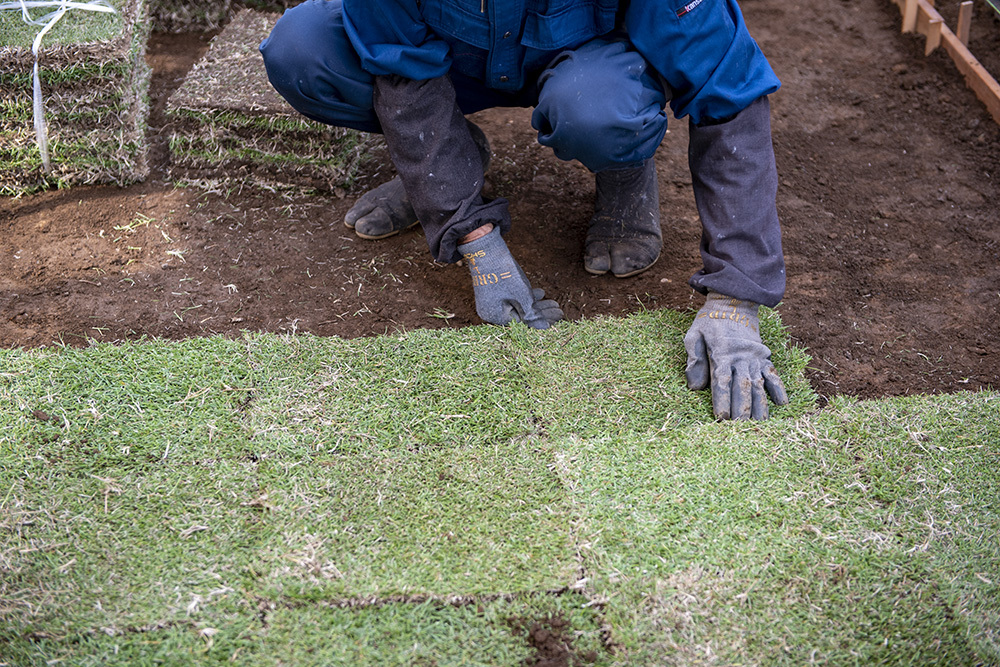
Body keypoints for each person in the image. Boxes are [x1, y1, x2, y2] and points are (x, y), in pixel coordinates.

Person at [259, 0, 789, 420]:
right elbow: (399, 63)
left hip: (591, 70)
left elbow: (729, 92)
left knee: (600, 114)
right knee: (303, 49)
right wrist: (472, 237)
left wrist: (735, 297)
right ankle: (446, 163)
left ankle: (622, 165)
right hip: (456, 53)